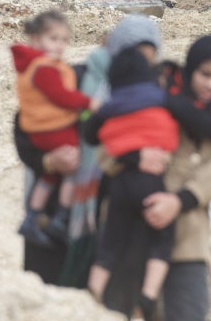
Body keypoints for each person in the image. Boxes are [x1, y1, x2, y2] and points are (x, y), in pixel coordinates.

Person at [12, 14, 163, 284]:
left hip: (114, 224)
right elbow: (25, 127)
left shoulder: (152, 95)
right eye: (133, 54)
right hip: (53, 218)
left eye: (147, 57)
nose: (138, 64)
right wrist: (48, 161)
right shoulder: (74, 78)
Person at [108, 35, 211, 321]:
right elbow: (108, 148)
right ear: (191, 69)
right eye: (205, 74)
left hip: (188, 241)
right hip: (131, 232)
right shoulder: (151, 103)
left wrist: (177, 202)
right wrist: (135, 157)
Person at [83, 47, 181, 321]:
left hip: (120, 182)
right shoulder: (161, 100)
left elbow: (90, 135)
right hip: (151, 183)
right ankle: (148, 297)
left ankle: (94, 291)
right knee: (163, 240)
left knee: (110, 242)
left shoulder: (112, 106)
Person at [11, 10, 98, 247]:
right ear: (36, 39)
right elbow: (61, 96)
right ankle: (62, 216)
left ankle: (32, 216)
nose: (59, 46)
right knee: (72, 169)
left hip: (40, 133)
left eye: (63, 40)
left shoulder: (33, 66)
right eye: (53, 39)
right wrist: (89, 103)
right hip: (55, 130)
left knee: (48, 177)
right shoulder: (46, 69)